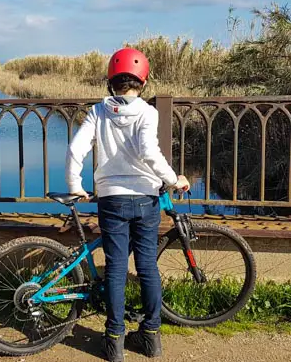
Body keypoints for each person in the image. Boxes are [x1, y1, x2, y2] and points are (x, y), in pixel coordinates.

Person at [65, 47, 190, 361]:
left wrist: (74, 186)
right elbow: (150, 152)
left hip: (112, 200)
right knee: (147, 267)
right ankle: (150, 337)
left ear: (111, 81)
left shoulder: (98, 111)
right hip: (146, 199)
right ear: (143, 83)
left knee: (117, 269)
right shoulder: (148, 112)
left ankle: (114, 341)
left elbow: (75, 149)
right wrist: (174, 179)